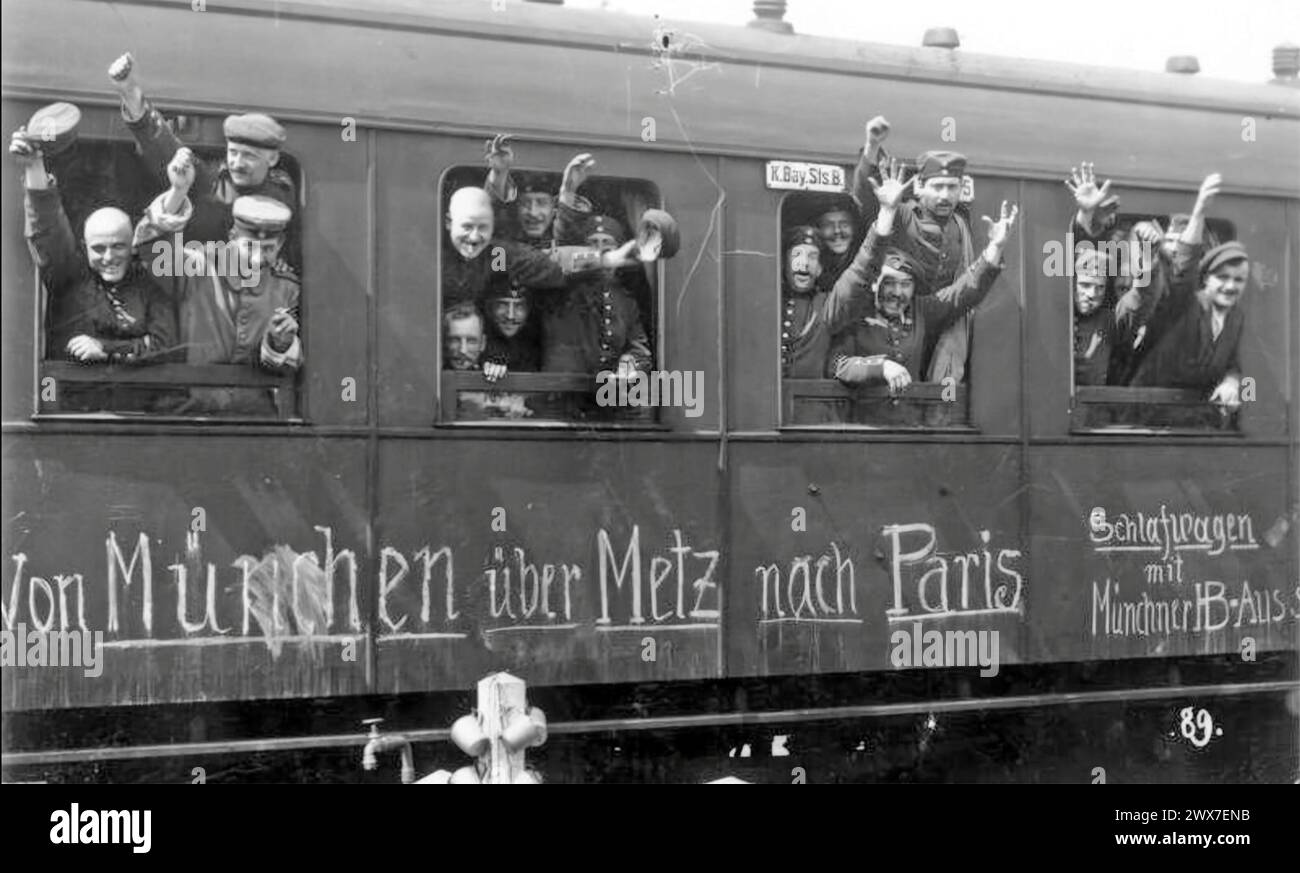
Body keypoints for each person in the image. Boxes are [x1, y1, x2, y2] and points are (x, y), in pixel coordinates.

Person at [11, 122, 176, 412]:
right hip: (69, 409)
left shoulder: (148, 287)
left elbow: (167, 346)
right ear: (86, 249)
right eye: (99, 248)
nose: (109, 256)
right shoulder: (70, 278)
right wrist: (34, 165)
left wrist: (105, 349)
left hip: (139, 414)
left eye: (118, 246)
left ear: (132, 246)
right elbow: (47, 226)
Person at [139, 149, 302, 415]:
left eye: (269, 248)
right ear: (232, 236)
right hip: (190, 411)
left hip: (255, 419)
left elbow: (285, 367)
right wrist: (178, 192)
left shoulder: (287, 287)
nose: (259, 258)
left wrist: (279, 343)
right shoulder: (201, 266)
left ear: (281, 244)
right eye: (250, 247)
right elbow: (152, 249)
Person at [829, 166, 1018, 394]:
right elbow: (838, 365)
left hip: (910, 422)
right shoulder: (857, 310)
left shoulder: (921, 311)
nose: (898, 292)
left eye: (906, 285)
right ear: (876, 283)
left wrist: (995, 248)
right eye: (890, 283)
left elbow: (965, 293)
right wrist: (882, 367)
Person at [108, 52, 300, 267]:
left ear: (272, 158)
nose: (237, 163)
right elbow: (162, 145)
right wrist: (131, 95)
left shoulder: (284, 191)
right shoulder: (210, 181)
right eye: (233, 152)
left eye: (249, 156)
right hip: (204, 283)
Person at [1130, 174, 1248, 412]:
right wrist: (1199, 211)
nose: (1230, 286)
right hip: (1145, 416)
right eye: (1223, 278)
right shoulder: (1184, 302)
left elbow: (1233, 362)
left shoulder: (1236, 317)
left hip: (1189, 419)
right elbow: (1183, 270)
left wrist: (1232, 382)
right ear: (1205, 280)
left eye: (1238, 280)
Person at [441, 186, 636, 311]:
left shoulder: (497, 255)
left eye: (483, 228)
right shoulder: (432, 250)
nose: (474, 237)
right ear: (449, 222)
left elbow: (551, 261)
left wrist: (605, 259)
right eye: (467, 226)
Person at [442, 303, 532, 419]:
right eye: (454, 340)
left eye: (471, 341)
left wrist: (499, 383)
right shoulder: (433, 375)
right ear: (443, 342)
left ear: (483, 343)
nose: (463, 350)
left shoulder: (491, 372)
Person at [483, 276, 541, 375]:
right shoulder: (477, 344)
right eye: (502, 305)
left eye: (519, 307)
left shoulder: (538, 346)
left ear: (529, 311)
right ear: (489, 309)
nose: (510, 316)